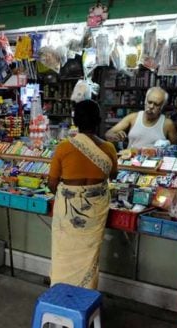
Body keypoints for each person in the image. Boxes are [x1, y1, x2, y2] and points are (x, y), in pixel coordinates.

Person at [48, 100, 118, 289]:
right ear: (99, 121)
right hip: (94, 213)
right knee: (90, 256)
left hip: (67, 214)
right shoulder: (109, 149)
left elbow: (52, 184)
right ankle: (85, 296)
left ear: (75, 121)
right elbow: (113, 175)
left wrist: (71, 195)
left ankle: (59, 293)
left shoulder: (64, 148)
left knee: (63, 255)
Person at [104, 86, 177, 148]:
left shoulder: (168, 124)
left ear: (162, 107)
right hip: (131, 159)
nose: (151, 106)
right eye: (149, 102)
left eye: (156, 104)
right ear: (145, 101)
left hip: (155, 160)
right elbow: (108, 134)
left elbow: (175, 148)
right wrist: (115, 136)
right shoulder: (133, 118)